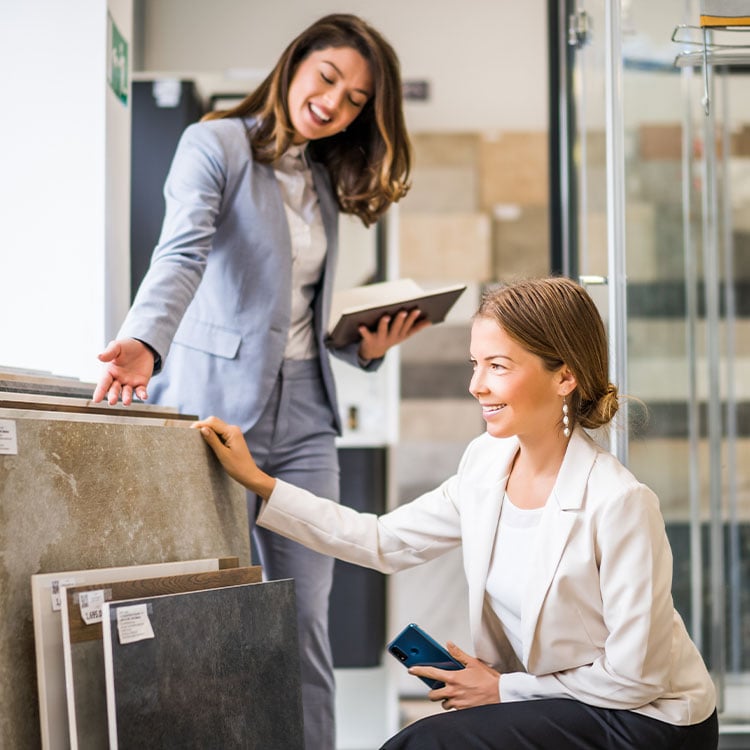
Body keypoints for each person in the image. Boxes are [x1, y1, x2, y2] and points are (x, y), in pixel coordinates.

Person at [193, 276, 719, 750]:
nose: (477, 385)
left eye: (498, 366)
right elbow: (381, 541)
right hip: (560, 701)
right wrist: (260, 481)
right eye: (475, 364)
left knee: (425, 745)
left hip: (647, 719)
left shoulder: (620, 503)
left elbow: (636, 679)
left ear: (565, 377)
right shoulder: (485, 464)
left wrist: (501, 689)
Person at [92, 14, 428, 749]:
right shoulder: (213, 143)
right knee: (222, 615)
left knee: (307, 618)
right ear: (295, 64)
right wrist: (147, 340)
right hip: (215, 414)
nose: (335, 102)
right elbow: (181, 252)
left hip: (306, 414)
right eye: (328, 77)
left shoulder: (322, 178)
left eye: (357, 98)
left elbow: (294, 313)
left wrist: (366, 347)